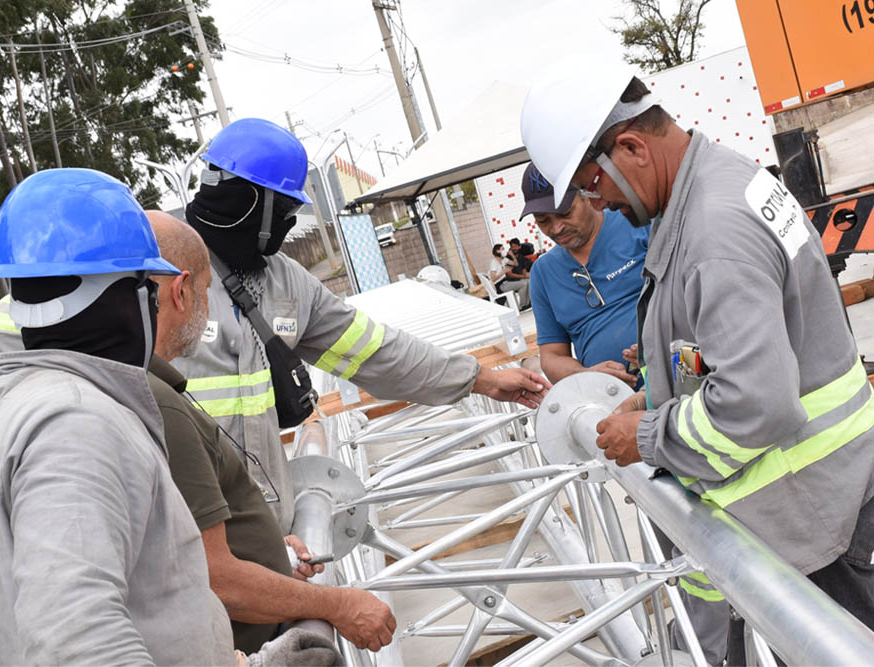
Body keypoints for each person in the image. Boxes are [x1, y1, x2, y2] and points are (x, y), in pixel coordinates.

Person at [521, 62, 874, 649]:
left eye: (591, 185)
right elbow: (733, 343)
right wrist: (655, 389)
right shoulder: (717, 183)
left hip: (820, 521)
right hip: (828, 505)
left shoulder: (713, 230)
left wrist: (650, 432)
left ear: (630, 147)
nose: (598, 202)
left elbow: (756, 402)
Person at [0, 168, 337, 666]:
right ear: (133, 294)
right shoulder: (74, 424)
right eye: (145, 285)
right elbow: (79, 642)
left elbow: (141, 586)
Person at [177, 117, 549, 534]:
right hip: (192, 543)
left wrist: (480, 379)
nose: (287, 223)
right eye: (283, 209)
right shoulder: (157, 278)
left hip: (263, 532)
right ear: (249, 200)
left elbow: (377, 352)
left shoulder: (287, 284)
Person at [147, 210, 396, 654]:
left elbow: (177, 549)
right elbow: (216, 578)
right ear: (182, 291)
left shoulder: (147, 390)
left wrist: (265, 550)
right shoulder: (159, 403)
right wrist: (338, 605)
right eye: (207, 292)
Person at [522, 163, 646, 389]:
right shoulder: (543, 273)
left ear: (588, 195)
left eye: (565, 213)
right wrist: (587, 374)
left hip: (674, 381)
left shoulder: (636, 224)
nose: (556, 228)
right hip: (609, 400)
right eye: (543, 220)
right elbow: (551, 356)